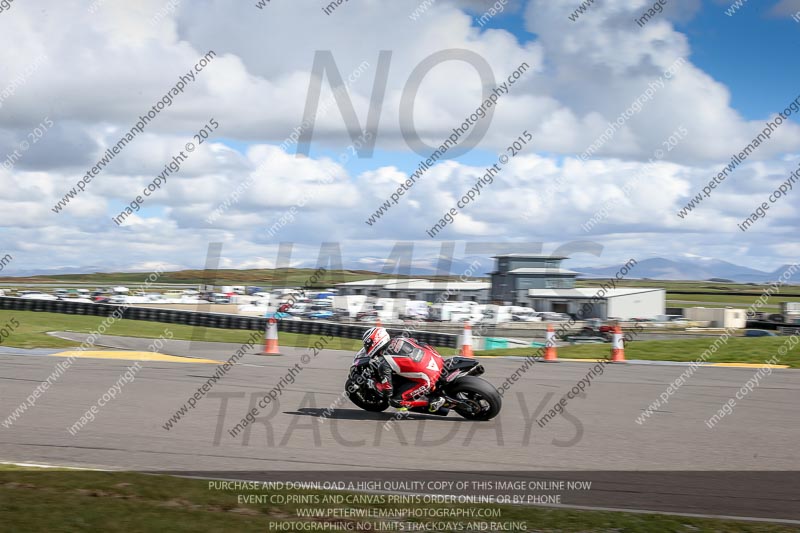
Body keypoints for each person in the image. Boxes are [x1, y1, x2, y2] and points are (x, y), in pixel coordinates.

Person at [361, 326, 445, 412]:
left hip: (428, 378)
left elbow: (388, 391)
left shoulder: (384, 363)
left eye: (367, 344)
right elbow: (419, 343)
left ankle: (431, 402)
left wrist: (374, 384)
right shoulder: (399, 339)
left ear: (375, 342)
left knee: (394, 401)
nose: (366, 347)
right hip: (437, 359)